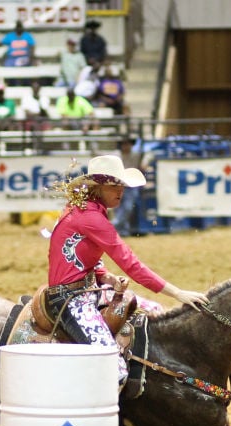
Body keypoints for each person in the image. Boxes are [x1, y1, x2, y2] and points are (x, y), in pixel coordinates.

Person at [46, 154, 207, 385]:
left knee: (154, 312)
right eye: (113, 185)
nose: (120, 191)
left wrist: (107, 278)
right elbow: (130, 263)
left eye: (121, 185)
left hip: (88, 291)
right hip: (69, 299)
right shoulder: (90, 217)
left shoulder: (84, 211)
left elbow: (77, 256)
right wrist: (178, 293)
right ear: (98, 187)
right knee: (114, 369)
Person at [111, 137, 143, 237]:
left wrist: (145, 162)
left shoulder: (136, 154)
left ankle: (114, 225)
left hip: (131, 185)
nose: (126, 146)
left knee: (128, 208)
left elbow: (149, 154)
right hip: (118, 184)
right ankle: (123, 231)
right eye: (124, 144)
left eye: (128, 144)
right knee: (119, 208)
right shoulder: (116, 155)